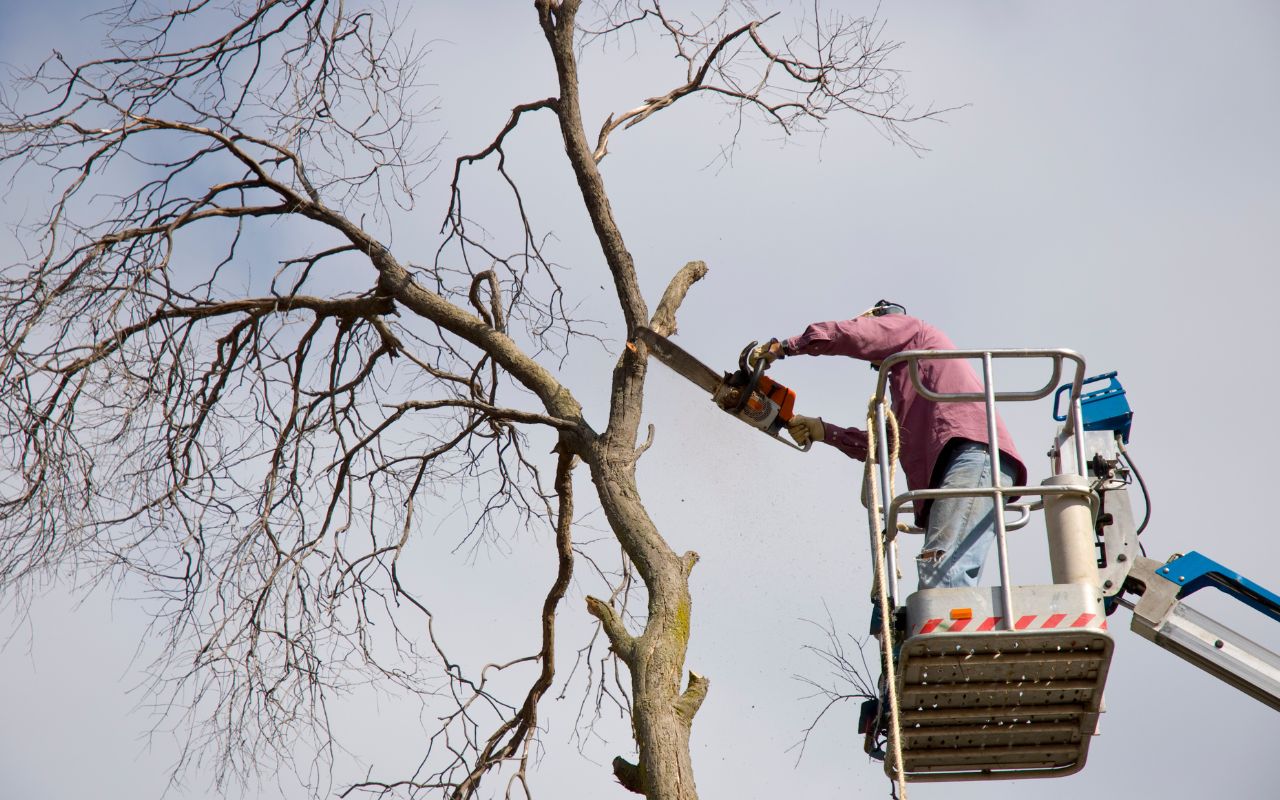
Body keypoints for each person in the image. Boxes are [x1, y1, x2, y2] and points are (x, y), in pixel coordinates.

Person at [753, 301, 1027, 590]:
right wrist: (823, 431)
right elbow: (884, 445)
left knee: (943, 574)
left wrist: (784, 347)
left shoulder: (912, 331)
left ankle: (943, 632)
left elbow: (852, 335)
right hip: (964, 461)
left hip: (971, 455)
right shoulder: (913, 389)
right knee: (939, 575)